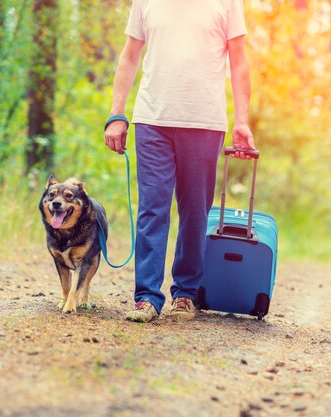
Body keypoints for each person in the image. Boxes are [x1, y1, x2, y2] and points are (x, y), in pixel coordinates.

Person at [104, 0, 255, 322]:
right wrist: (117, 114)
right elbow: (129, 57)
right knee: (153, 208)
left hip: (204, 122)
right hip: (152, 120)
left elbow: (239, 62)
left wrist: (242, 121)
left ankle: (185, 293)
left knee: (195, 213)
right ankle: (147, 297)